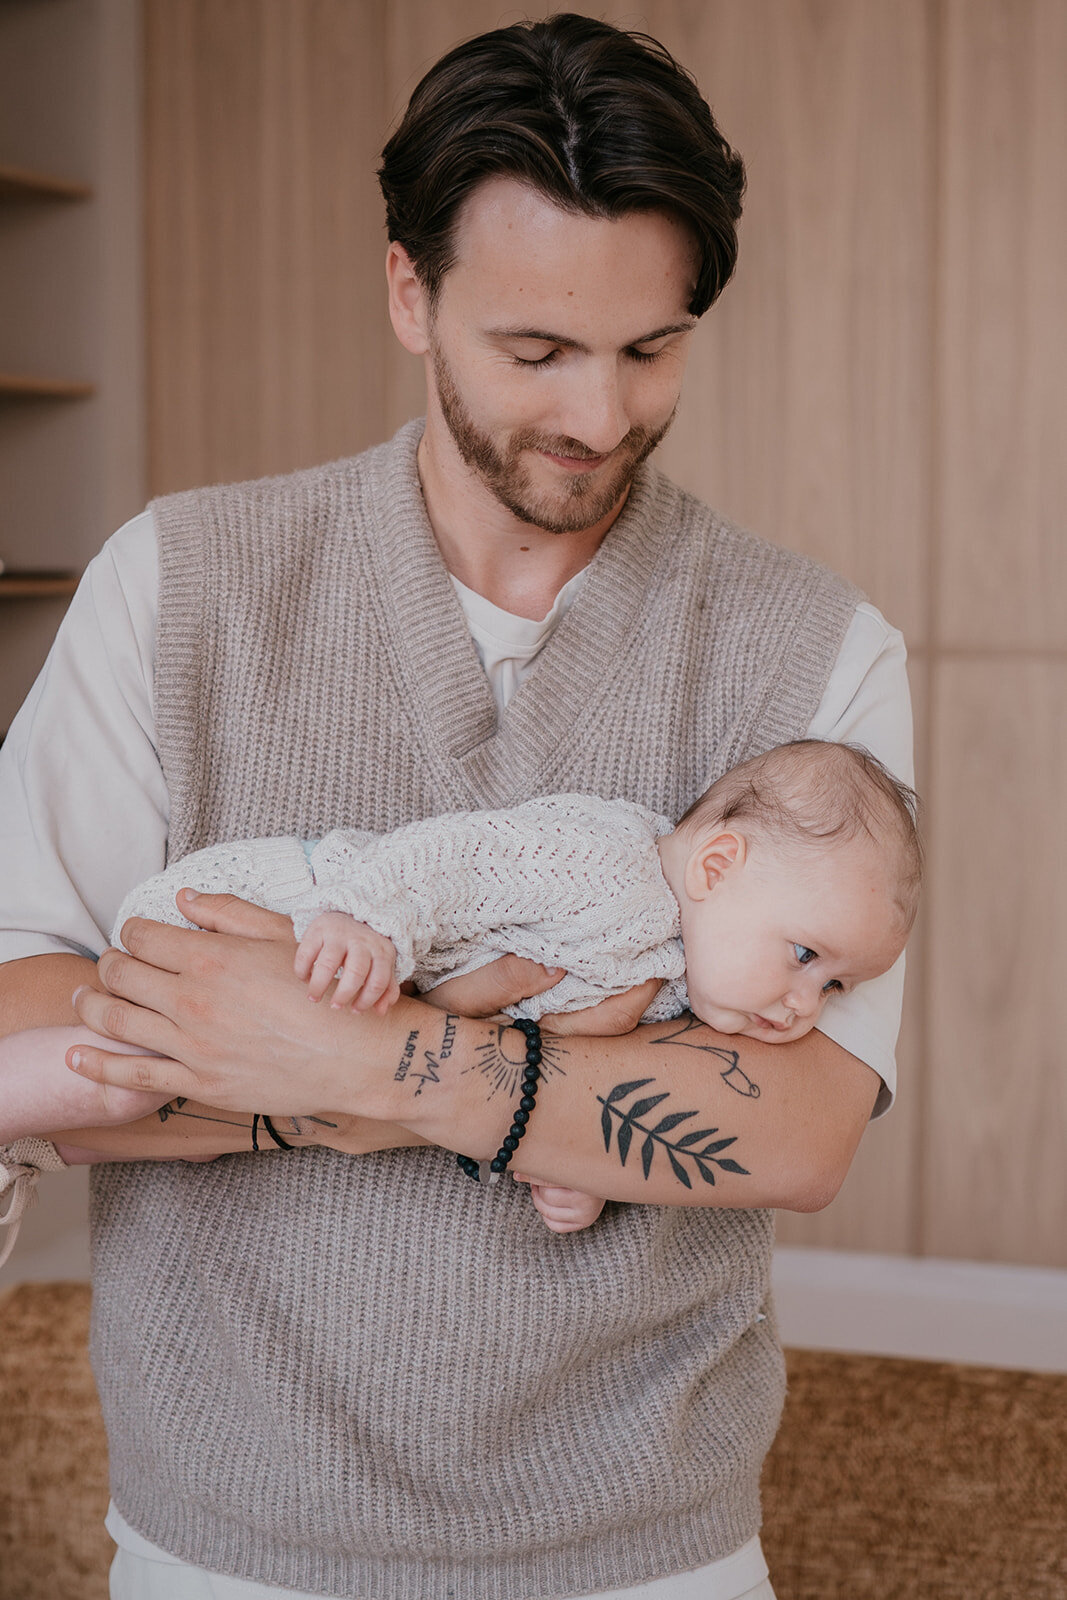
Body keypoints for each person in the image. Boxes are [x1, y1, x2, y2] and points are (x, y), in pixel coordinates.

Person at [0, 14, 914, 1599]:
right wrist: (543, 1074)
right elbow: (20, 998)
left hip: (646, 1552)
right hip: (228, 1534)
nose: (600, 416)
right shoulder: (181, 585)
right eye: (536, 352)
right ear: (410, 295)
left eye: (651, 348)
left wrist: (363, 1061)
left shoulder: (816, 652)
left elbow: (799, 1121)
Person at [0, 740, 921, 1237]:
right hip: (293, 906)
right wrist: (369, 921)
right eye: (805, 955)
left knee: (159, 1105)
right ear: (718, 863)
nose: (807, 1004)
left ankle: (44, 1140)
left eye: (838, 985)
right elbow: (458, 855)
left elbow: (551, 1073)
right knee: (119, 1075)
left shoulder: (677, 976)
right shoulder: (612, 869)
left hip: (353, 997)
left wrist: (577, 1170)